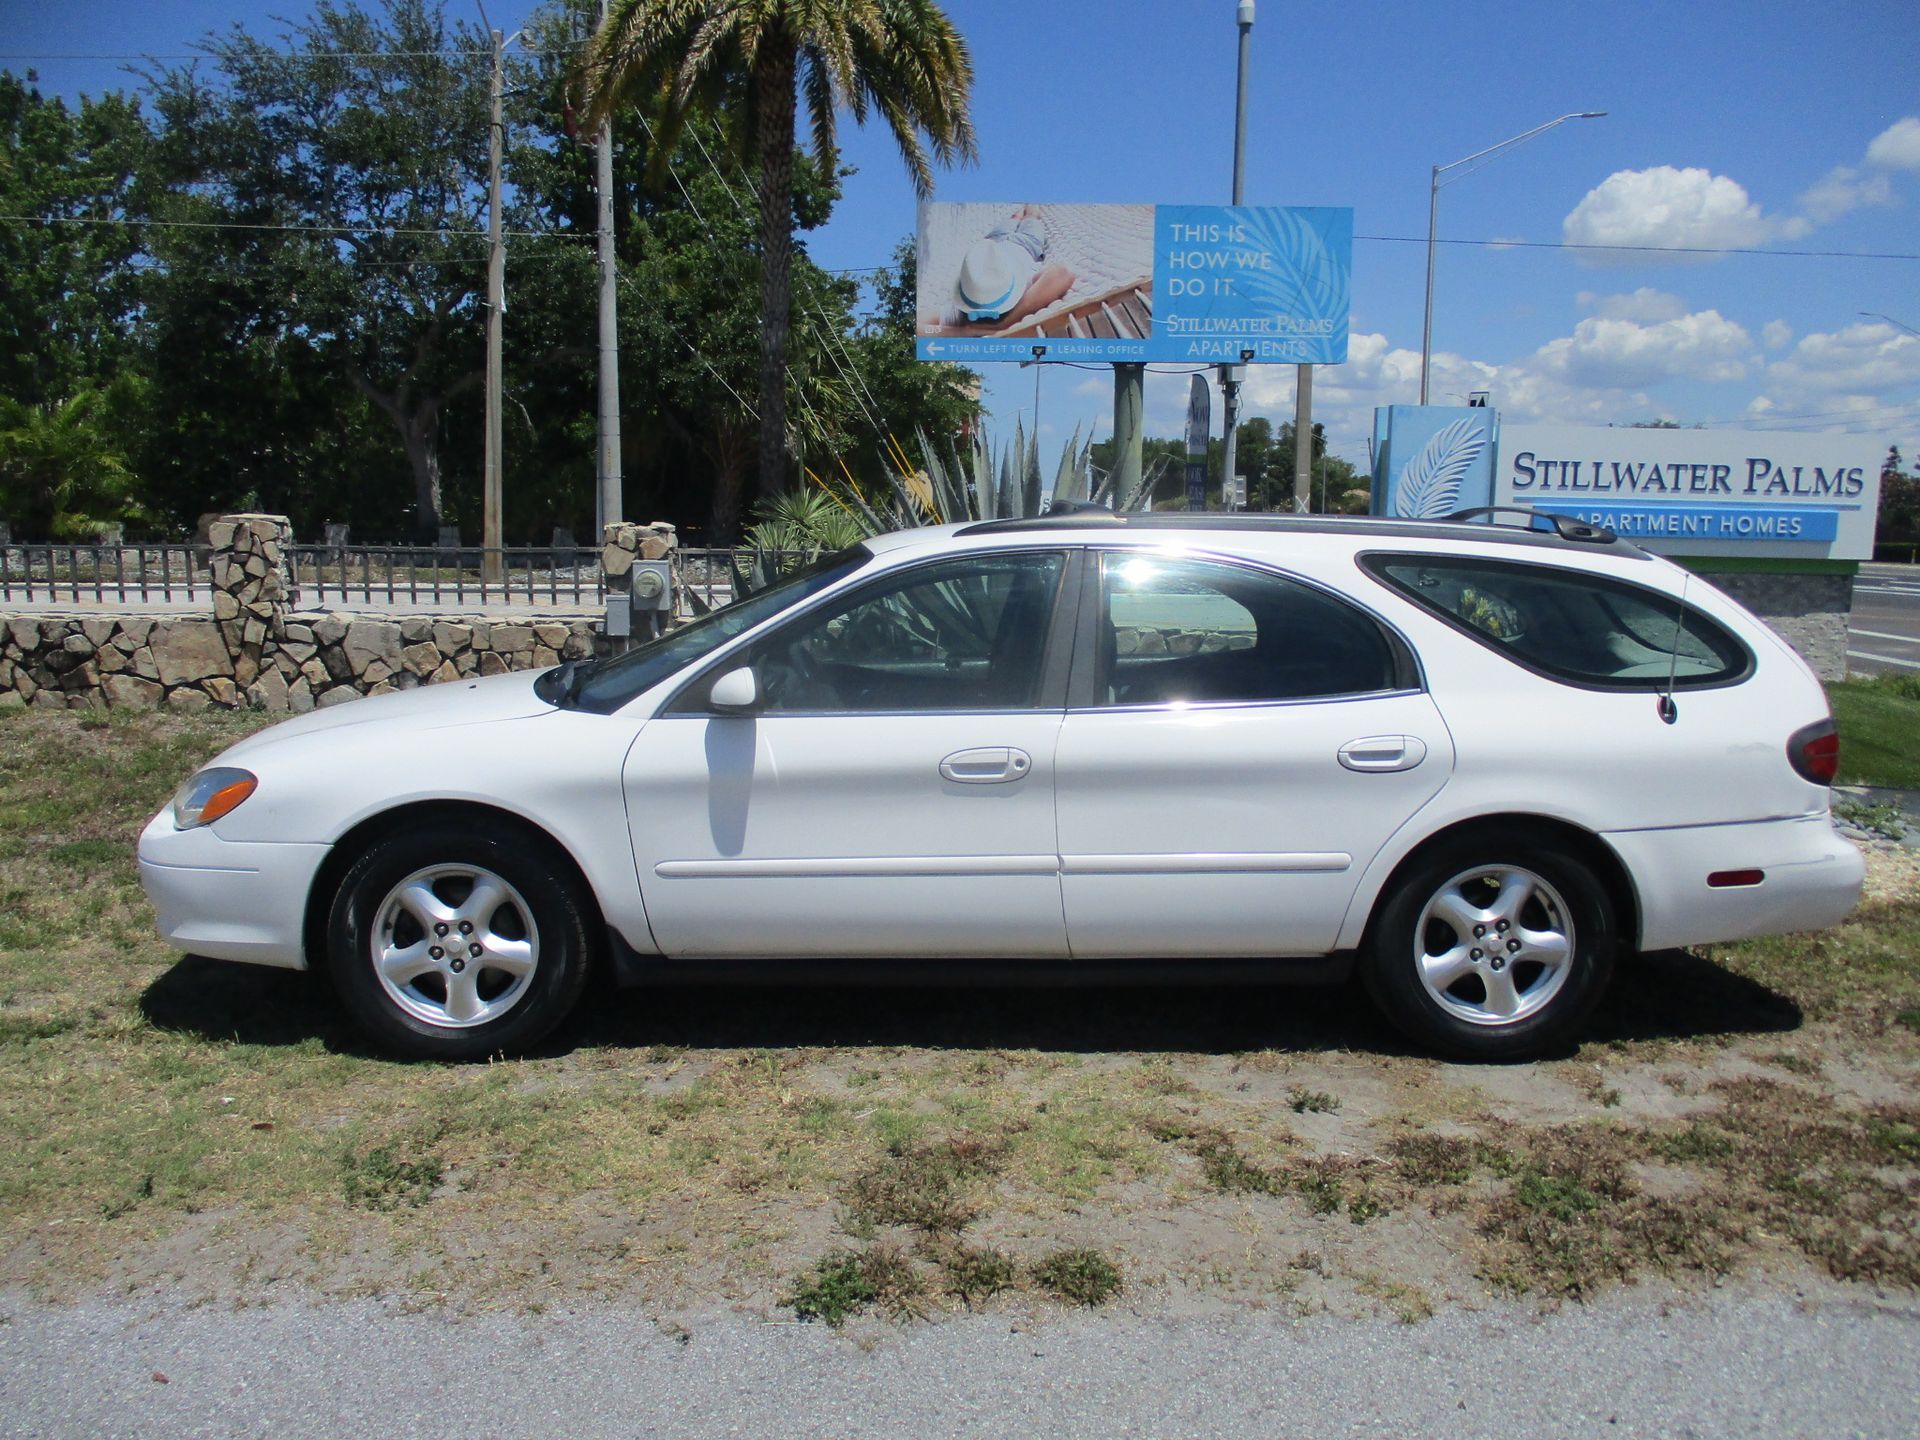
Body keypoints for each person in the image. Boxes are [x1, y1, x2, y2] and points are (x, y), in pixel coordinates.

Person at [923, 205, 1075, 336]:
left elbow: (922, 327)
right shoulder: (1022, 292)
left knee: (1017, 216)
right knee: (1031, 216)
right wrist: (969, 331)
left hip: (992, 244)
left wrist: (993, 326)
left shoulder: (964, 313)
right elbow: (1062, 273)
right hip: (1026, 243)